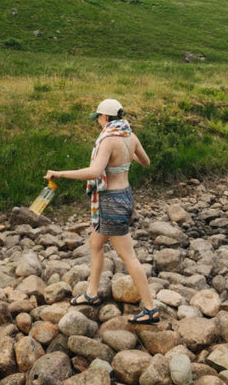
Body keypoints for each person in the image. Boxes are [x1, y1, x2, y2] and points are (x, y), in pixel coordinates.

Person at [44, 99, 159, 324]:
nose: (98, 122)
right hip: (125, 196)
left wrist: (61, 173)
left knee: (129, 256)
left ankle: (150, 308)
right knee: (95, 244)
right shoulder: (130, 136)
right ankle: (92, 293)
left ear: (105, 117)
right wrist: (126, 156)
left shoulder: (108, 140)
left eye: (98, 117)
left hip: (110, 202)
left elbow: (95, 172)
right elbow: (145, 161)